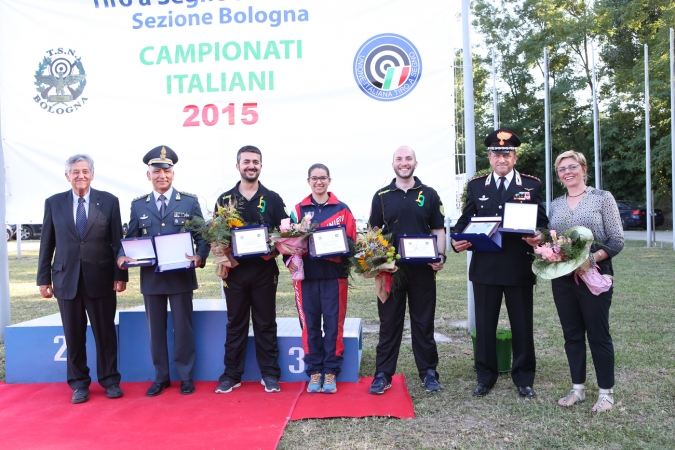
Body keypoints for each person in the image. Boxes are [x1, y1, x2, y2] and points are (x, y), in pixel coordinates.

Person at [452, 129, 547, 399]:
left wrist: (540, 235)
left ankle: (524, 378)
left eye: (506, 153)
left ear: (514, 157)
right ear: (490, 158)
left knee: (522, 326)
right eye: (496, 154)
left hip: (518, 266)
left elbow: (542, 221)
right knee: (484, 327)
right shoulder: (476, 186)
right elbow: (465, 219)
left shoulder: (531, 185)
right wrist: (455, 240)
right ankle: (485, 376)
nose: (501, 158)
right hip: (485, 267)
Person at [117, 145, 208, 397]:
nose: (162, 176)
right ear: (149, 175)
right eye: (156, 171)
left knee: (183, 329)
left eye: (166, 171)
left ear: (173, 174)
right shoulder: (138, 206)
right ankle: (161, 377)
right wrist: (122, 255)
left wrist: (200, 256)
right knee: (155, 331)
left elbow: (202, 236)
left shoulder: (189, 202)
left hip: (181, 276)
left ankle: (186, 377)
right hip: (151, 278)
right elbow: (131, 238)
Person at [37, 154, 127, 404]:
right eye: (75, 172)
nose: (81, 176)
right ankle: (79, 384)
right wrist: (43, 279)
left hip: (101, 278)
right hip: (66, 280)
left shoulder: (108, 201)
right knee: (73, 336)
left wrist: (121, 275)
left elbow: (117, 242)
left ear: (92, 174)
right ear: (67, 176)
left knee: (105, 334)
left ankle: (110, 380)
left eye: (85, 171)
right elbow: (47, 243)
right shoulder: (54, 203)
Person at [544, 150, 624, 412]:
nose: (567, 172)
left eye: (572, 166)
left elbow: (617, 240)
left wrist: (593, 258)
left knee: (598, 335)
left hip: (593, 276)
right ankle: (577, 388)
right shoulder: (555, 204)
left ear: (583, 168)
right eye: (561, 169)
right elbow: (552, 239)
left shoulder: (602, 198)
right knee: (572, 335)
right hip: (563, 280)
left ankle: (606, 393)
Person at [368, 146, 446, 395]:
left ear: (416, 163)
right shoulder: (381, 195)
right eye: (399, 159)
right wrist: (376, 260)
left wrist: (440, 255)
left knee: (423, 322)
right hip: (390, 272)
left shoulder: (430, 194)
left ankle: (428, 372)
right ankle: (383, 374)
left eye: (408, 159)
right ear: (393, 164)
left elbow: (438, 229)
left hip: (423, 270)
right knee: (389, 323)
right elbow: (373, 233)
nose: (404, 163)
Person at [214, 145, 288, 394]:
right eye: (246, 162)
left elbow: (285, 235)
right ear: (237, 166)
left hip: (264, 271)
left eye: (255, 162)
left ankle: (269, 374)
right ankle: (231, 374)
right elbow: (216, 236)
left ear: (261, 166)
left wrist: (275, 250)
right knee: (235, 323)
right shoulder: (224, 200)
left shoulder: (273, 198)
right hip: (234, 272)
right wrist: (222, 251)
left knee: (265, 322)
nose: (251, 166)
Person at [287, 164, 357, 394]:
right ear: (309, 181)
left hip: (334, 278)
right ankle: (314, 371)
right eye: (314, 178)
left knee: (333, 327)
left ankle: (330, 372)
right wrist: (292, 258)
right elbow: (287, 246)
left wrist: (338, 251)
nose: (319, 182)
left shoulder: (342, 209)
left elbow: (352, 243)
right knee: (310, 327)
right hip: (306, 279)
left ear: (329, 180)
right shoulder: (298, 210)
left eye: (323, 178)